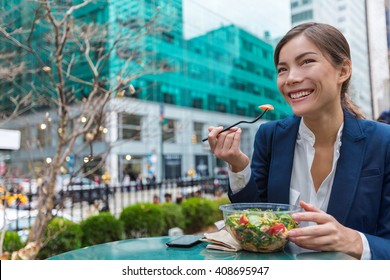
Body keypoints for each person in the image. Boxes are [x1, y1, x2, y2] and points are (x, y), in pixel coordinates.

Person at [206, 22, 390, 260]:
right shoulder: (269, 136)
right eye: (282, 69)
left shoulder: (383, 142)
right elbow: (255, 220)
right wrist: (238, 165)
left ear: (343, 70)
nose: (290, 78)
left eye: (306, 62)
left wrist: (354, 241)